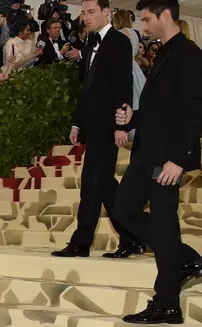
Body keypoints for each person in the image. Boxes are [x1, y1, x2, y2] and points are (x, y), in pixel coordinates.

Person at [113, 0, 202, 324]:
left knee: (164, 222)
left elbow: (195, 112)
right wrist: (132, 116)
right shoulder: (163, 53)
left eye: (147, 19)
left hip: (166, 159)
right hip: (147, 154)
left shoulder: (190, 55)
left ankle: (167, 303)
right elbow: (161, 109)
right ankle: (186, 259)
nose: (144, 27)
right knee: (124, 209)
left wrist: (179, 160)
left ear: (166, 15)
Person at [53, 0, 142, 259]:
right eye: (82, 13)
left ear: (107, 12)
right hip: (93, 125)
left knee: (94, 183)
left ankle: (81, 242)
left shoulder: (118, 41)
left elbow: (123, 85)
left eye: (91, 12)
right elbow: (87, 89)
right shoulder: (90, 42)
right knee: (102, 184)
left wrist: (120, 125)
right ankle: (131, 236)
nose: (85, 17)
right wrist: (77, 122)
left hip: (109, 125)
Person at [113, 7, 147, 138]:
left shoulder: (120, 33)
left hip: (126, 67)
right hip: (135, 67)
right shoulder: (134, 32)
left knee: (130, 99)